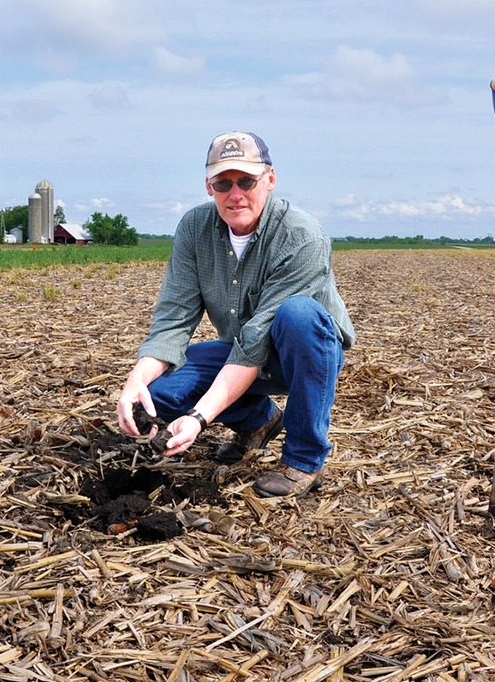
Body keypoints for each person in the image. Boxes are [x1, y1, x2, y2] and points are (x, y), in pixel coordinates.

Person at [117, 131, 355, 498]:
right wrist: (136, 379)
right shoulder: (195, 228)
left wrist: (199, 418)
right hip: (239, 354)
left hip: (303, 355)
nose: (235, 193)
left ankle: (304, 460)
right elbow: (173, 319)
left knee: (299, 315)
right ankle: (260, 421)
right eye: (223, 183)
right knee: (156, 395)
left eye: (247, 180)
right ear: (209, 186)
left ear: (270, 180)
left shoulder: (302, 235)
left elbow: (258, 339)